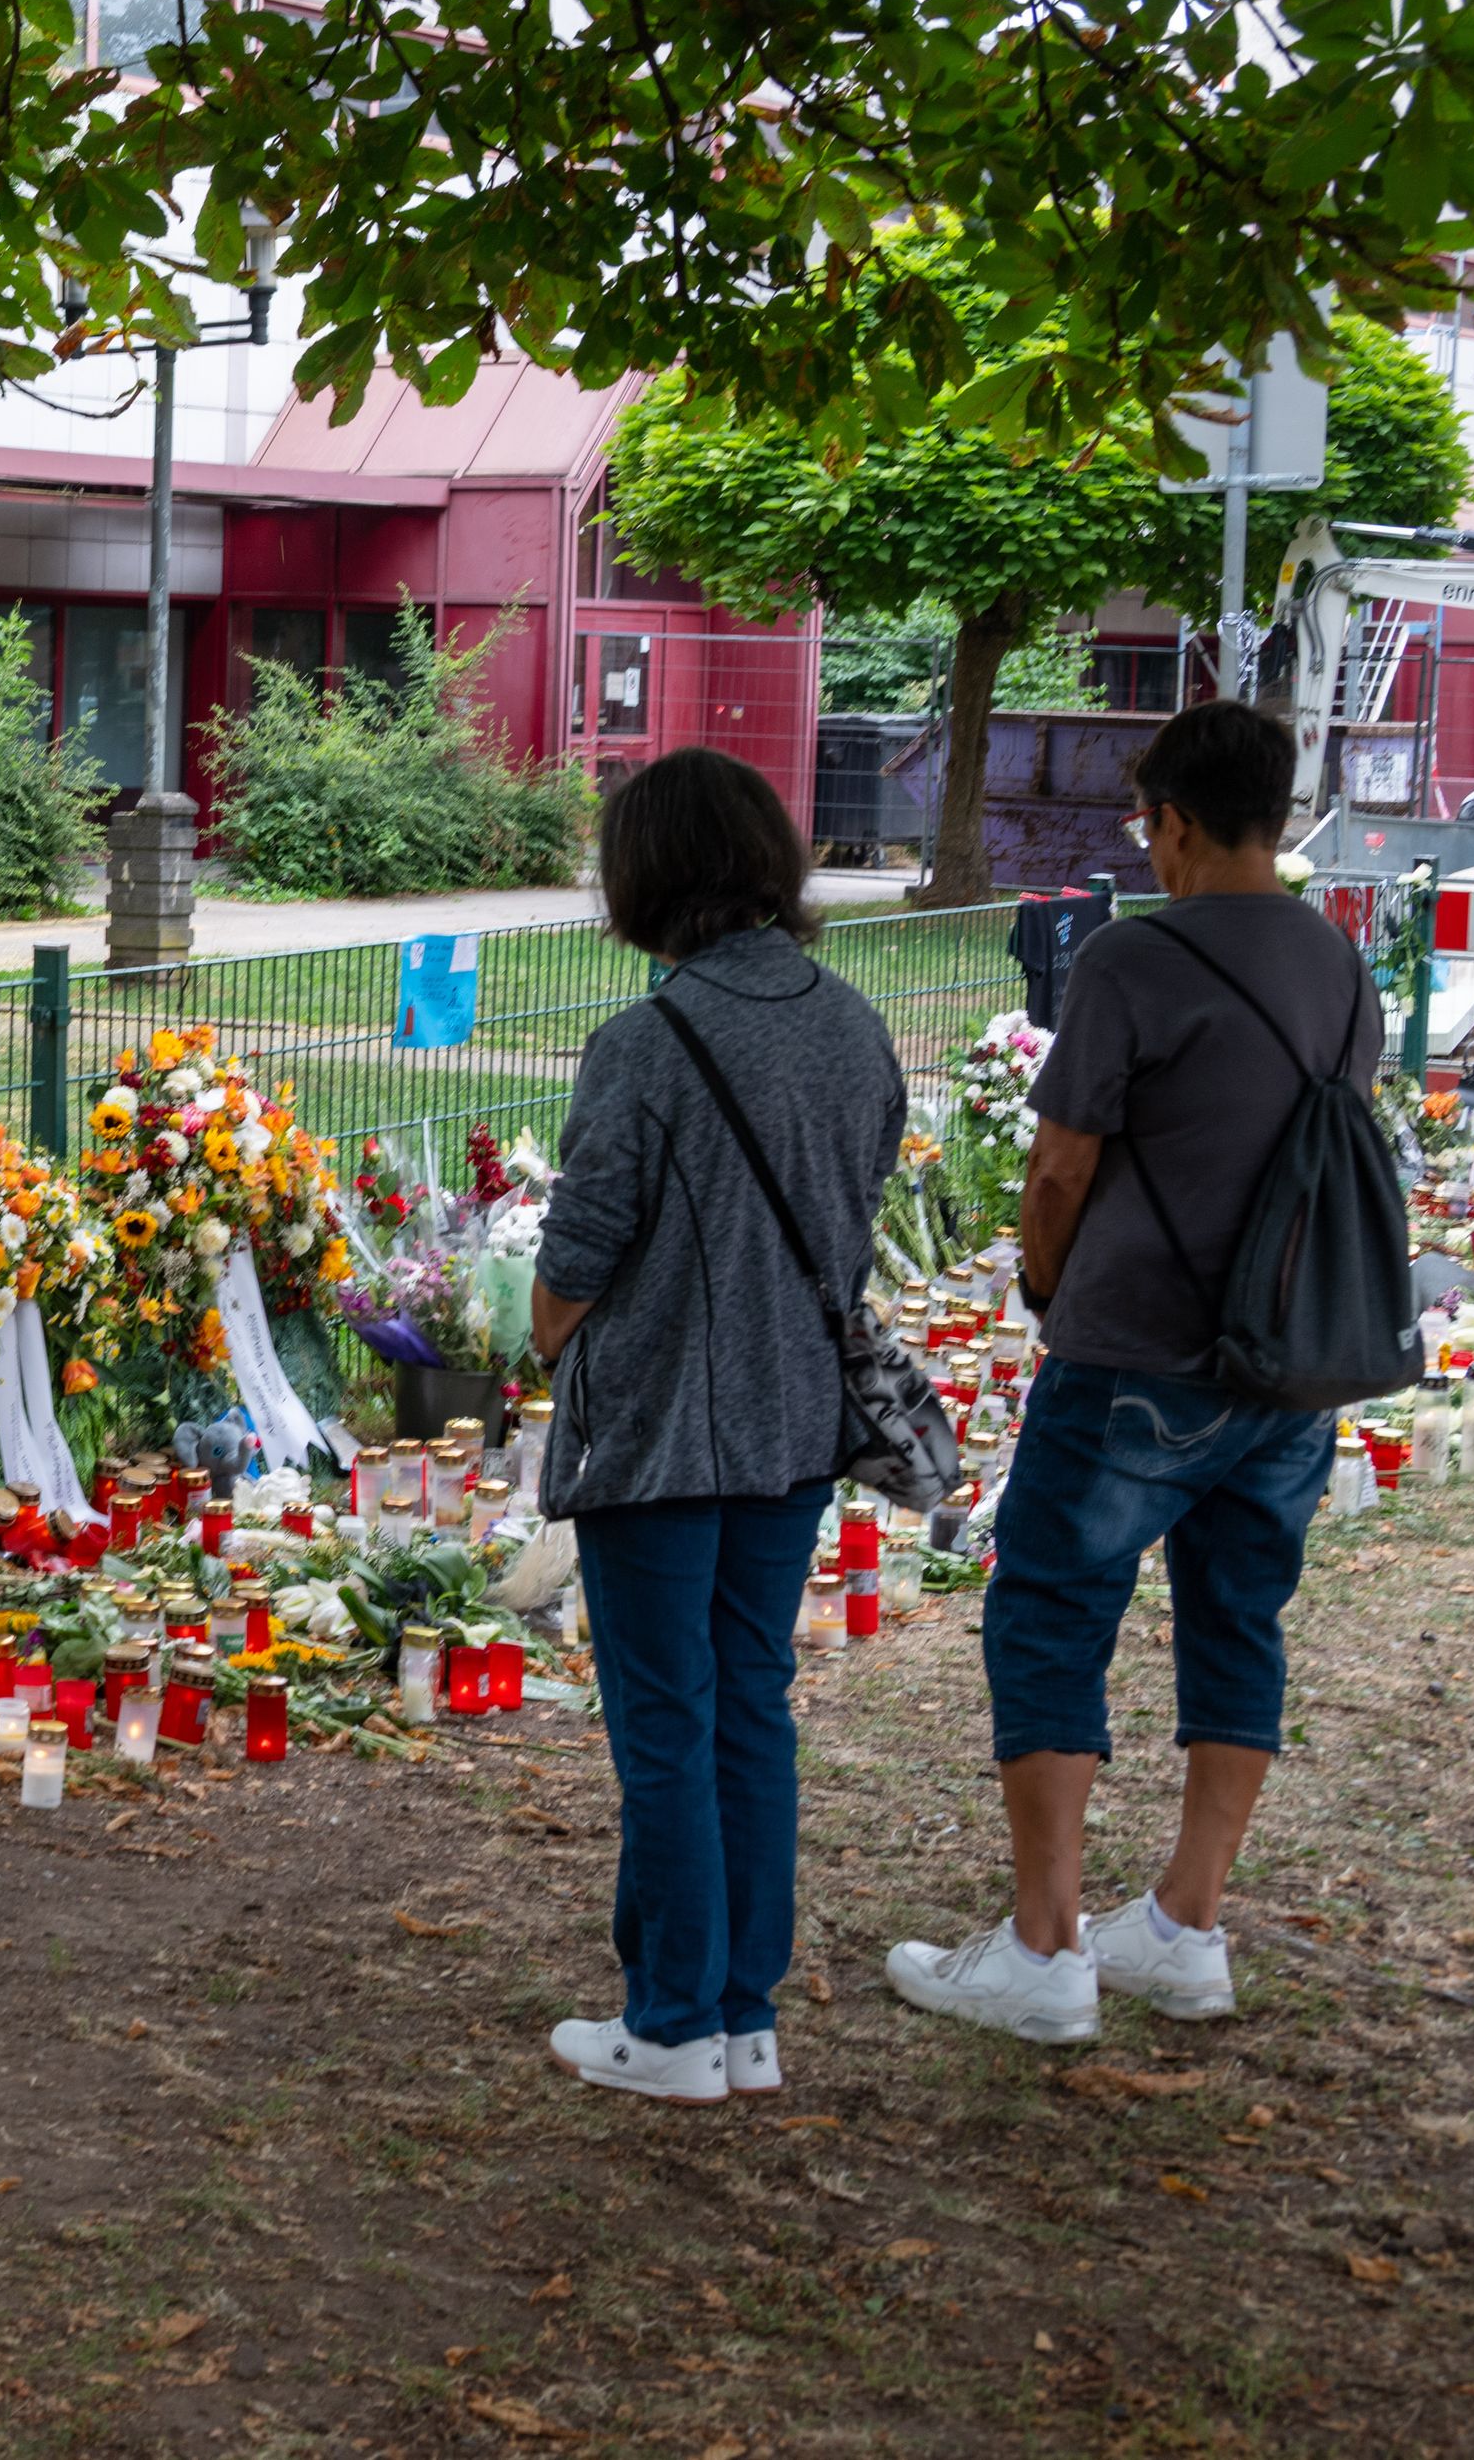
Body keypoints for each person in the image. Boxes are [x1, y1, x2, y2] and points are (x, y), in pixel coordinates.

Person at [889, 699, 1376, 2043]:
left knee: (1049, 1614)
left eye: (1147, 822)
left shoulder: (1127, 962)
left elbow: (1060, 1165)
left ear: (1168, 820)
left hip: (1134, 1359)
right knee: (1240, 1621)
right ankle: (1185, 1926)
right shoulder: (1343, 968)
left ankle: (1047, 1949)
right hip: (1288, 1366)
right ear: (1274, 815)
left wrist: (1045, 1286)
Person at [528, 748, 906, 2103]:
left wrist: (550, 1322)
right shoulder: (854, 1022)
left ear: (651, 877)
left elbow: (583, 1238)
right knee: (750, 1704)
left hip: (659, 1433)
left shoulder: (649, 1039)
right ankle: (743, 2011)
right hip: (795, 1425)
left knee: (666, 1718)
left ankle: (673, 2019)